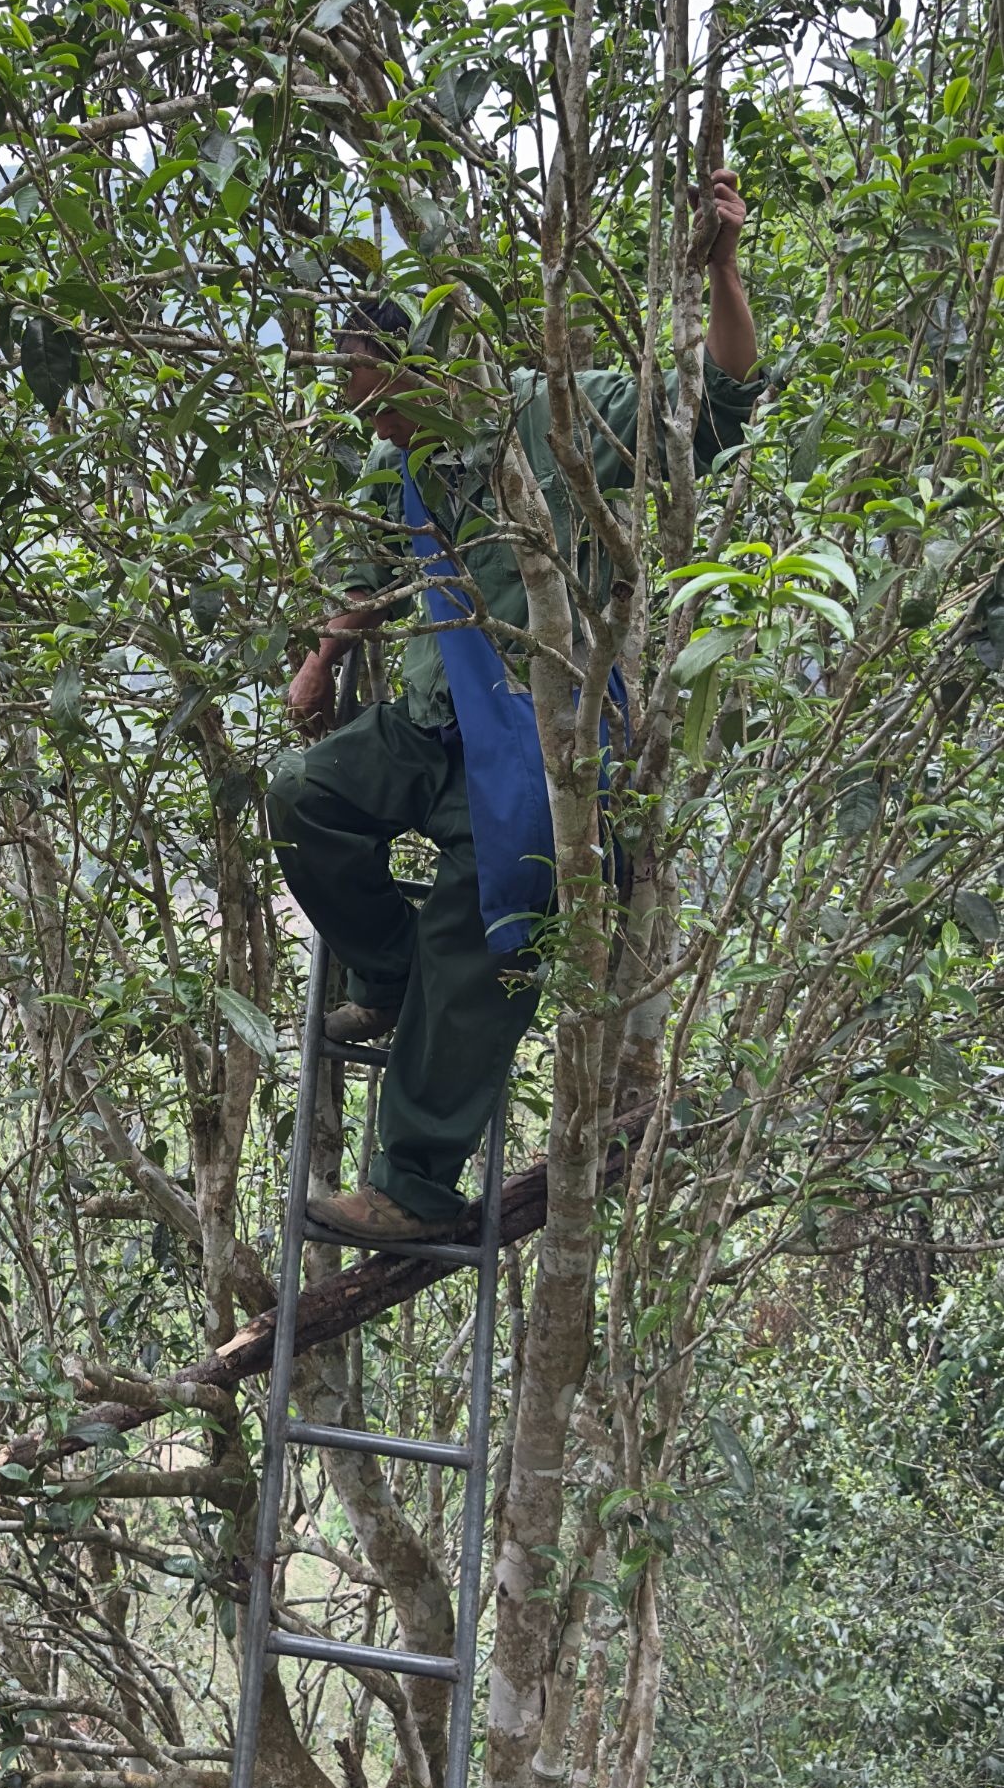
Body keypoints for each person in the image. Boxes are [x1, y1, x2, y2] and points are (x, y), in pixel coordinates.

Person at [270, 177, 763, 1249]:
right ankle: (385, 975)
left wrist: (720, 269)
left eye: (370, 390)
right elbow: (370, 576)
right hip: (427, 724)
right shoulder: (392, 461)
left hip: (537, 744)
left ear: (414, 366)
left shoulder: (550, 418)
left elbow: (716, 402)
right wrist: (323, 662)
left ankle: (412, 1182)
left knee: (484, 929)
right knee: (303, 798)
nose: (364, 413)